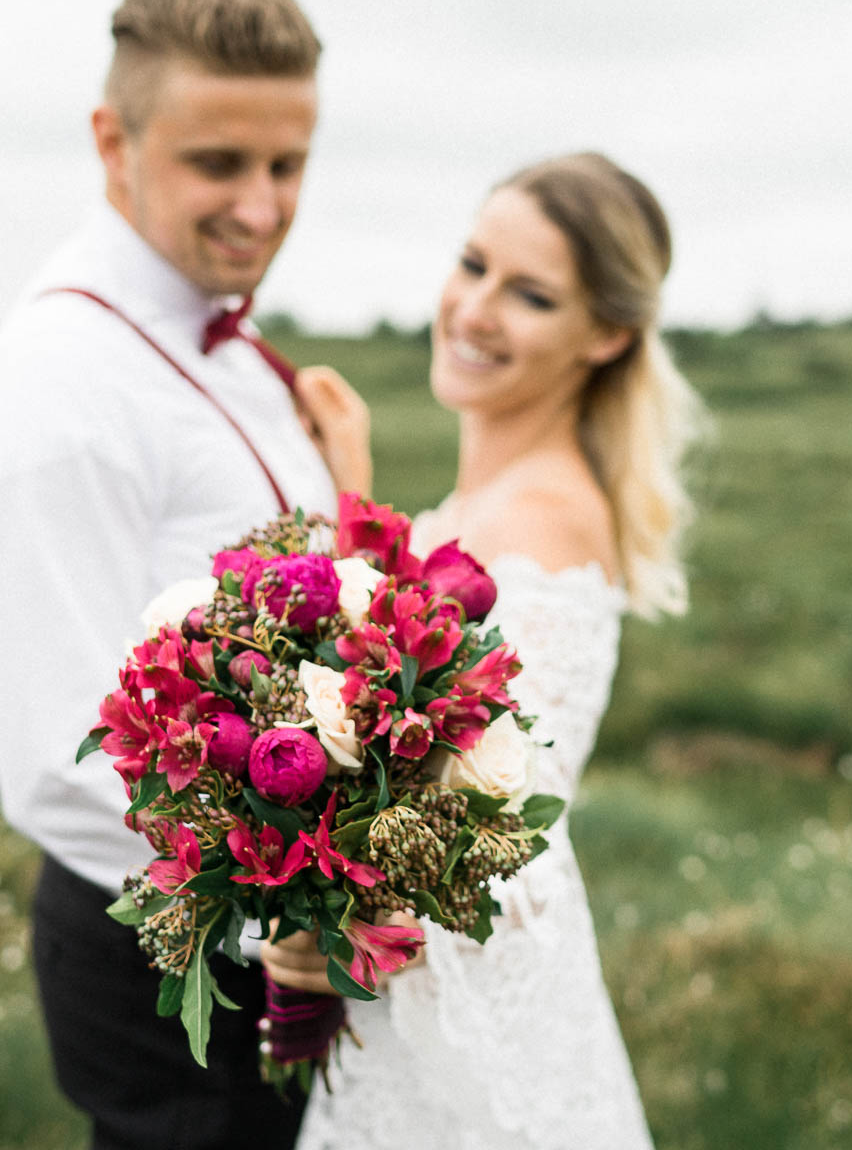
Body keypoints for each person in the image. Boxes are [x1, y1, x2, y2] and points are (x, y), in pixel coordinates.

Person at [0, 0, 367, 1150]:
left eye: (289, 164)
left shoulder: (223, 344)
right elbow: (61, 761)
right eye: (219, 162)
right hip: (182, 966)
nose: (264, 204)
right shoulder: (52, 388)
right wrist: (299, 914)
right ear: (112, 141)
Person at [271, 152, 705, 1149]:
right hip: (410, 1040)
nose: (474, 308)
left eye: (531, 294)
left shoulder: (542, 524)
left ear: (605, 334)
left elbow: (507, 853)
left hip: (468, 1077)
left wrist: (342, 918)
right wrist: (353, 502)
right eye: (473, 264)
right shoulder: (479, 512)